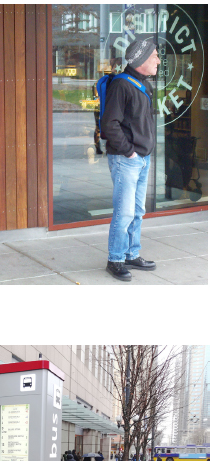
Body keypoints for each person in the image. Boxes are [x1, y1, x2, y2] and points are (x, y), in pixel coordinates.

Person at [102, 40, 161, 281]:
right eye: (155, 56)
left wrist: (141, 154)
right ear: (141, 59)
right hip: (126, 160)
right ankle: (115, 259)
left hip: (141, 159)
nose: (158, 60)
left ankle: (130, 253)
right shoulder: (122, 86)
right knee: (124, 212)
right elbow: (109, 125)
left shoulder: (143, 85)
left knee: (137, 211)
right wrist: (129, 152)